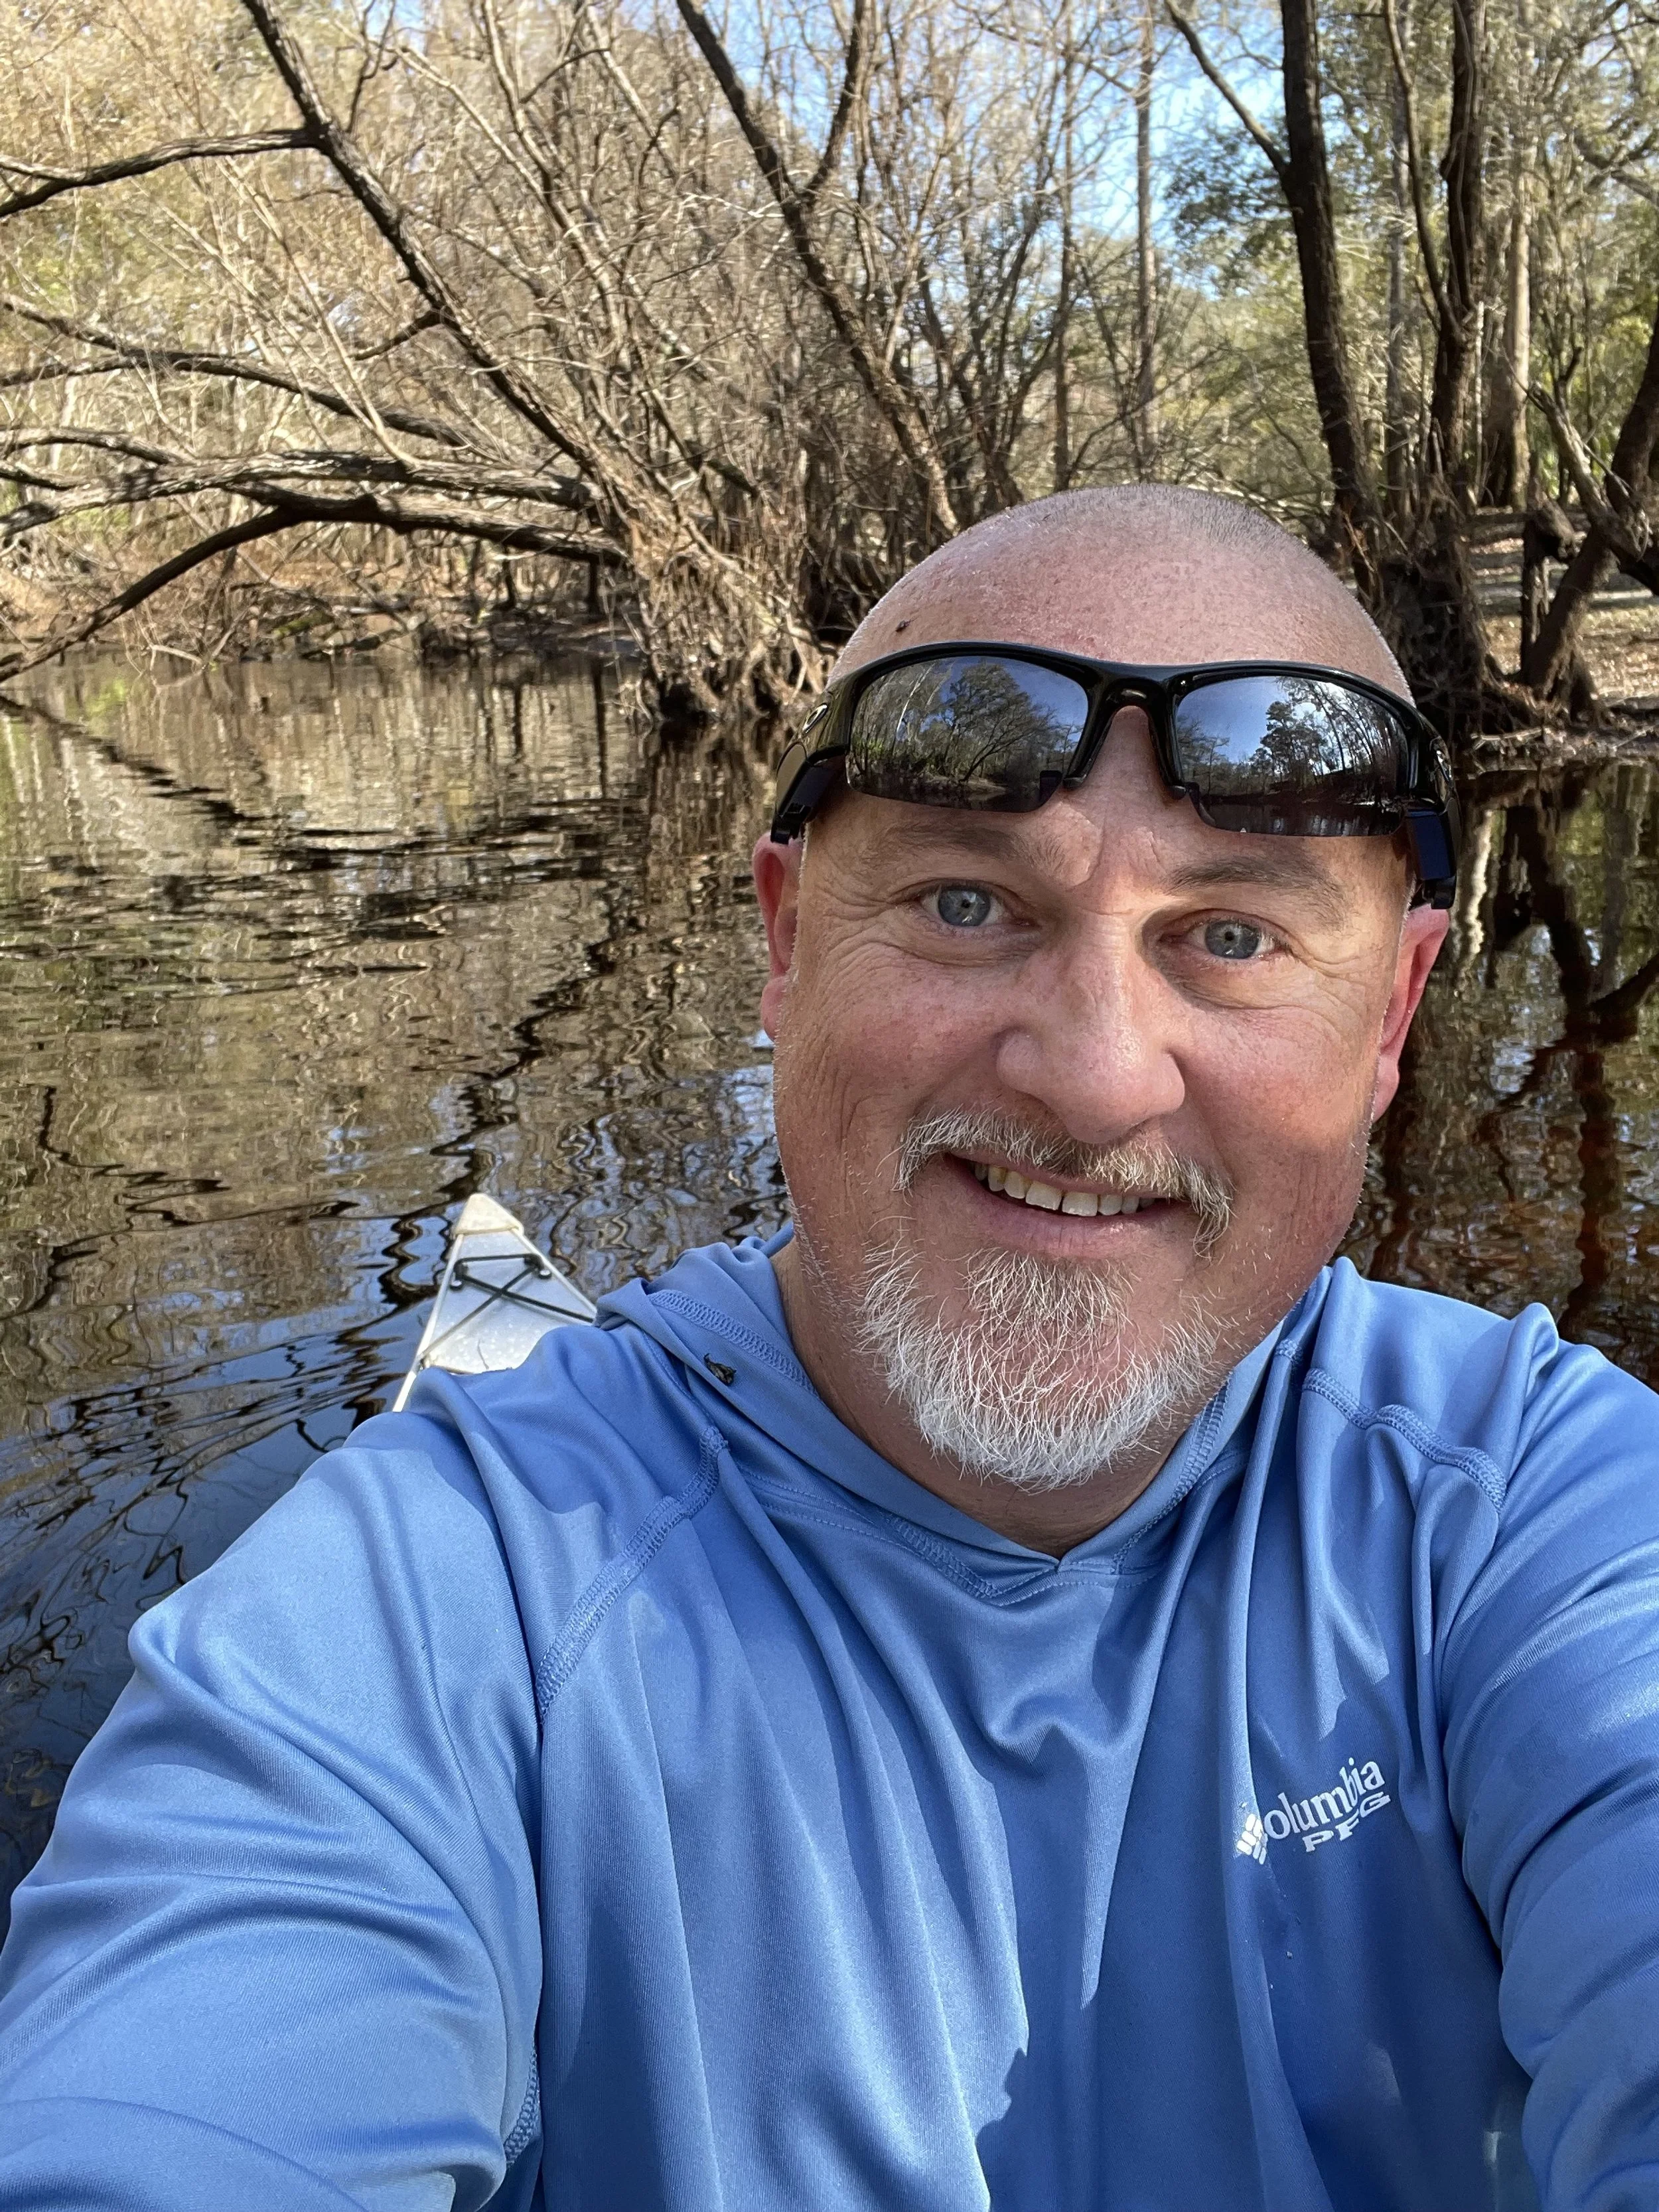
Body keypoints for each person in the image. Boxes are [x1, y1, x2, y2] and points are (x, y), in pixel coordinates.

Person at [0, 484, 1654, 2212]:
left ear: (1387, 1015)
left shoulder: (1540, 1519)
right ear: (784, 941)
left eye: (1228, 936)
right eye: (962, 904)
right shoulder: (427, 1607)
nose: (1091, 1075)